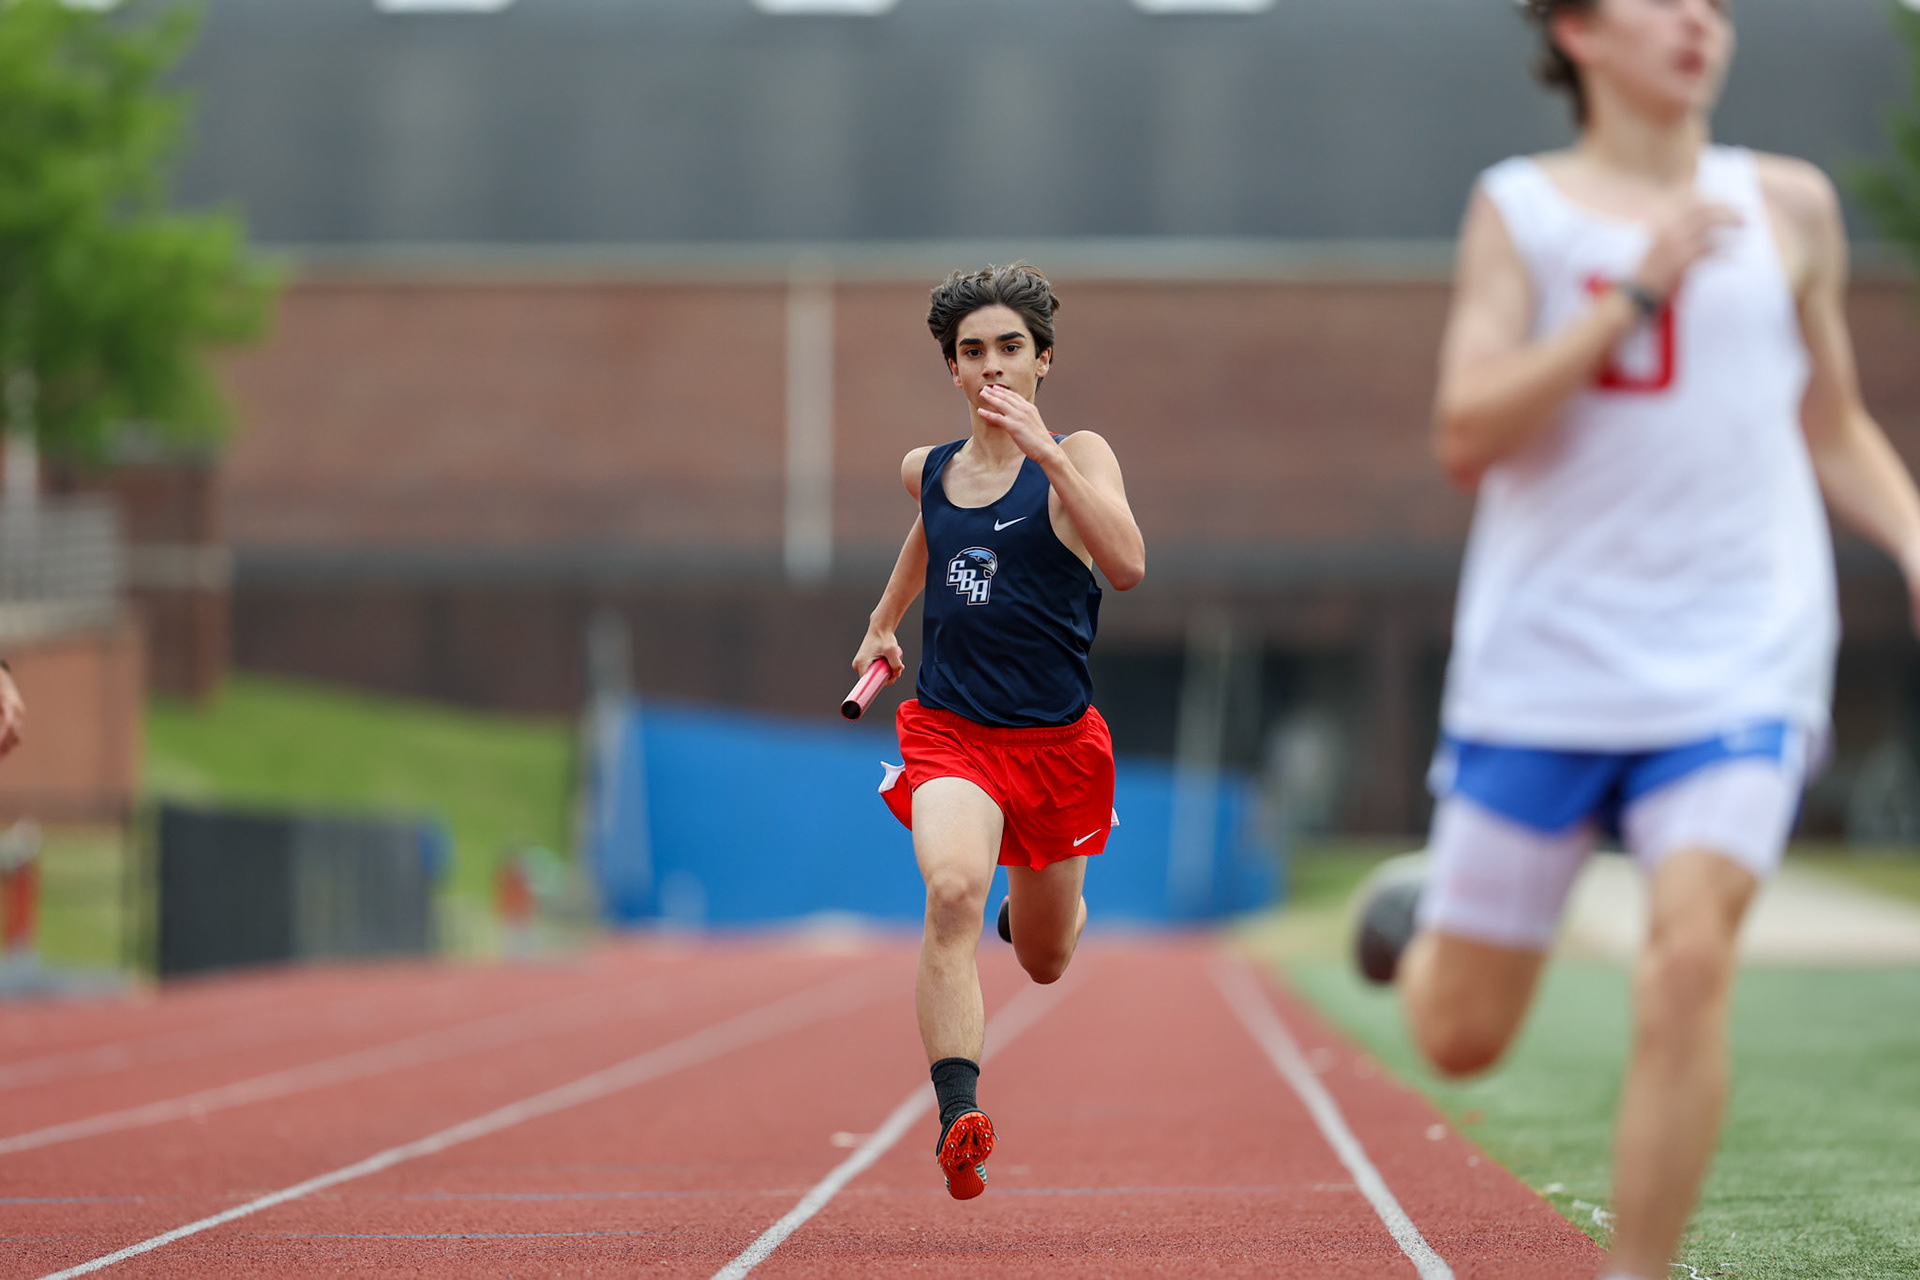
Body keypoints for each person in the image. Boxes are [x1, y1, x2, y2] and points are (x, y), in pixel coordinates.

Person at [1352, 2, 1920, 1278]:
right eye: (1663, 2)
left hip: (1740, 647)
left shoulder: (1794, 207)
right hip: (1546, 663)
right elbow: (1465, 430)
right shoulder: (1523, 210)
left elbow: (1833, 423)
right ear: (1576, 32)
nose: (1698, 24)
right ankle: (1424, 911)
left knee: (1689, 953)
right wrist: (1635, 293)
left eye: (1715, 6)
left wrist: (1914, 530)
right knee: (1458, 1035)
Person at [852, 263, 1145, 1200]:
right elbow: (929, 532)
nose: (992, 368)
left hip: (1057, 747)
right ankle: (959, 1113)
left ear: (1043, 360)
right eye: (972, 352)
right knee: (949, 890)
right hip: (954, 734)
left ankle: (1033, 908)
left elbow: (1129, 565)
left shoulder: (1083, 455)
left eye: (1010, 349)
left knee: (1045, 960)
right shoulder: (928, 469)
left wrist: (1047, 455)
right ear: (951, 369)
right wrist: (884, 621)